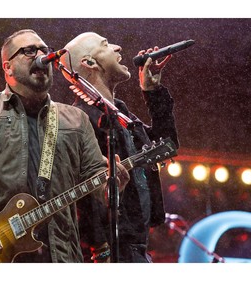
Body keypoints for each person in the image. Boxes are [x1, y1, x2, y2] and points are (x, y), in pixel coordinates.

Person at [0, 29, 129, 263]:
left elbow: (97, 188)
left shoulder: (76, 120)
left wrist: (113, 186)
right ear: (7, 67)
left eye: (44, 50)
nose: (40, 55)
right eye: (29, 51)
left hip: (60, 256)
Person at [60, 32, 179, 263]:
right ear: (89, 63)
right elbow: (79, 199)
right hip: (108, 253)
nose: (118, 48)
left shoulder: (122, 114)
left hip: (137, 249)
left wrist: (152, 93)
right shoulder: (78, 122)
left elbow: (167, 146)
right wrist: (98, 248)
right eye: (106, 45)